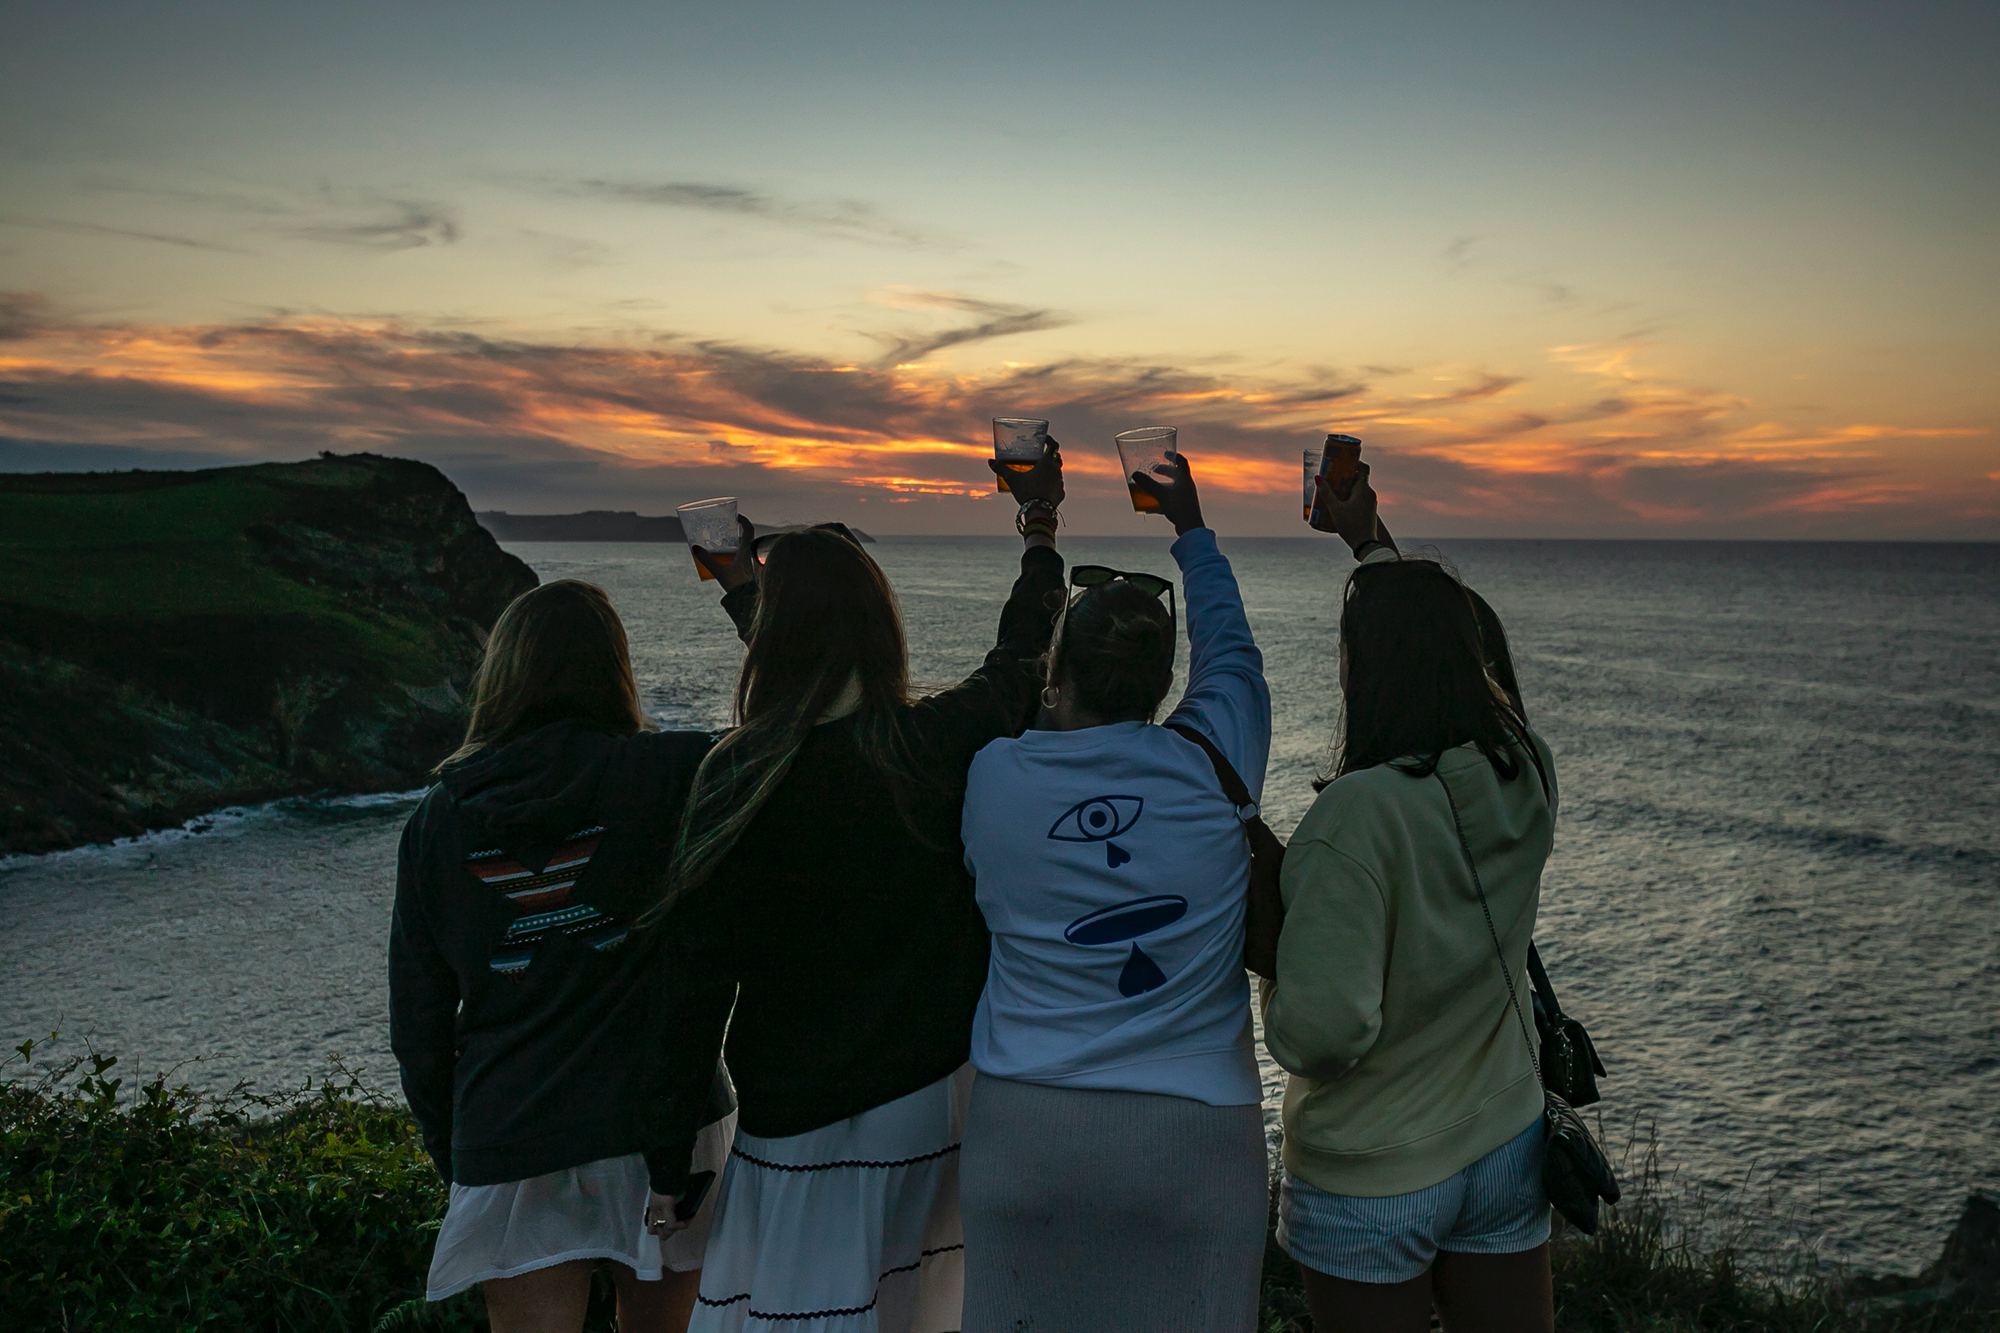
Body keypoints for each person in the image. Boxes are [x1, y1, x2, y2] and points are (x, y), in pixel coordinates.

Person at [655, 447, 1067, 1332]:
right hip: (934, 1110)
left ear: (774, 636)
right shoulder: (930, 747)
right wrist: (1039, 526)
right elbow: (1021, 655)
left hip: (797, 1126)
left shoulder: (736, 780)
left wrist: (670, 1157)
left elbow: (690, 987)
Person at [956, 451, 1269, 1330]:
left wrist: (1040, 527)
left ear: (1057, 673)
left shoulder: (994, 776)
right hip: (1195, 1136)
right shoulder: (1214, 760)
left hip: (1026, 1129)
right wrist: (1190, 529)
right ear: (1165, 683)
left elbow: (1005, 676)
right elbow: (1233, 651)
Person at [390, 579, 737, 1333]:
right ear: (616, 668)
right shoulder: (674, 774)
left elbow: (417, 1023)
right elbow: (788, 730)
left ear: (503, 674)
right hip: (663, 1121)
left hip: (513, 1125)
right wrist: (748, 594)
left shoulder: (438, 821)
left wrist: (461, 1155)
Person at [1262, 467, 1559, 1333]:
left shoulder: (1354, 819)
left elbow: (1325, 1032)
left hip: (1375, 1171)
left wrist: (1278, 967)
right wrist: (1368, 540)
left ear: (1368, 673)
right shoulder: (1524, 768)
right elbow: (1437, 645)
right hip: (1505, 1139)